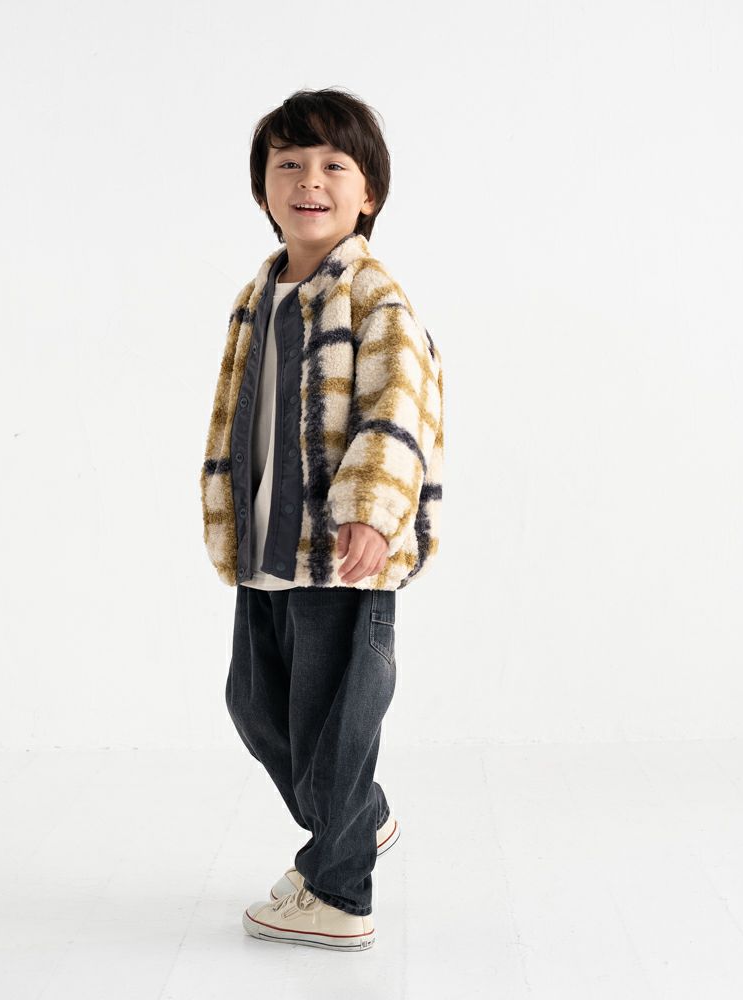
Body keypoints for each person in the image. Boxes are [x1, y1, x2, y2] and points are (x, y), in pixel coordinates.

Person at [198, 87, 445, 952]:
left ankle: (340, 892)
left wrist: (372, 513)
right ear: (263, 188)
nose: (310, 180)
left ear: (368, 192)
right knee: (256, 703)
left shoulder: (375, 298)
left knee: (336, 725)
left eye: (334, 165)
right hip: (272, 545)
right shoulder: (259, 294)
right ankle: (358, 819)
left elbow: (398, 408)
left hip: (341, 554)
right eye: (290, 164)